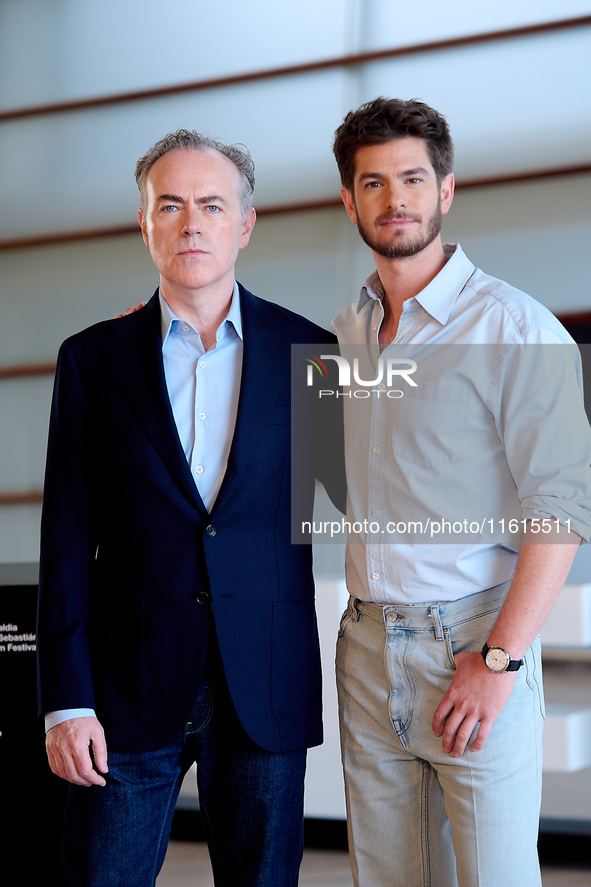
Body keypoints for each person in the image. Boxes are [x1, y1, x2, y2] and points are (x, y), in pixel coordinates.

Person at [36, 129, 345, 887]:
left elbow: (354, 496)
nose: (190, 223)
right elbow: (66, 542)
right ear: (145, 223)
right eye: (168, 205)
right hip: (123, 691)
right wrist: (64, 701)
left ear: (243, 224)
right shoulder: (93, 359)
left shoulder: (315, 350)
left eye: (211, 204)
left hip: (263, 686)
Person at [330, 97, 591, 886]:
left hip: (472, 642)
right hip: (366, 650)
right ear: (349, 200)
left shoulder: (515, 326)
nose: (394, 199)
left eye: (412, 178)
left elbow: (564, 509)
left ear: (445, 191)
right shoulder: (344, 330)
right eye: (372, 183)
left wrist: (500, 658)